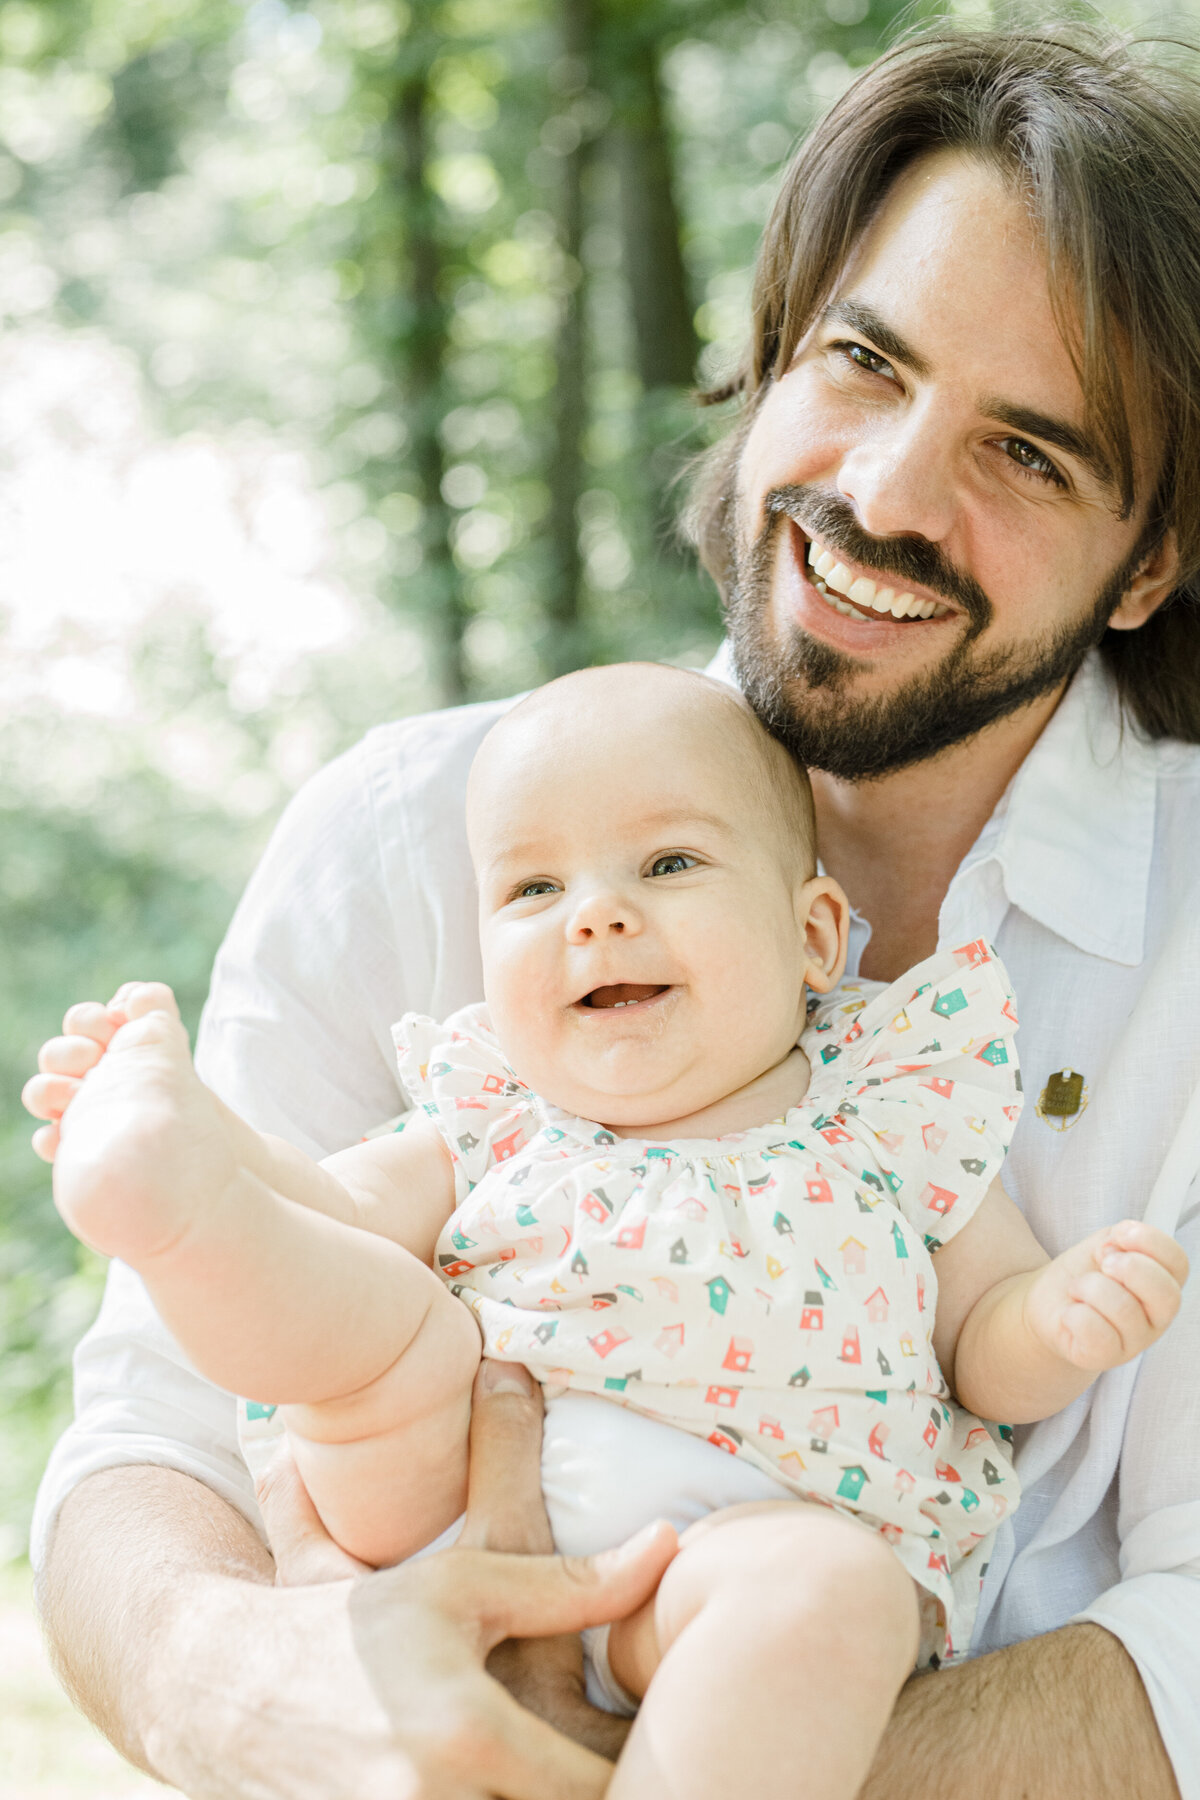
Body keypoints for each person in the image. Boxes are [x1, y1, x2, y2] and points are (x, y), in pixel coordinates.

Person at [29, 20, 1200, 1800]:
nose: (887, 497)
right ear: (775, 348)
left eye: (1028, 456)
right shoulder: (410, 833)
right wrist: (289, 1705)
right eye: (865, 364)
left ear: (1155, 560)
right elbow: (149, 1446)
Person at [25, 664, 1187, 1800]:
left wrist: (1060, 1319)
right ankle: (174, 1206)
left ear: (816, 939)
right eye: (534, 891)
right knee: (382, 1335)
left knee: (828, 1596)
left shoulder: (884, 1115)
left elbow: (983, 1348)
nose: (597, 914)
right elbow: (331, 1210)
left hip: (732, 1560)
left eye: (670, 863)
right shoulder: (495, 1120)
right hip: (448, 1511)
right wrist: (230, 1148)